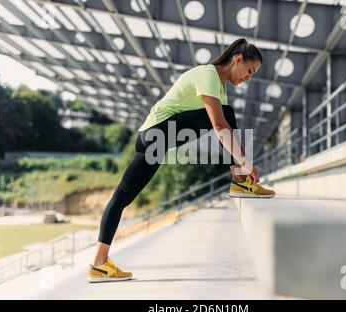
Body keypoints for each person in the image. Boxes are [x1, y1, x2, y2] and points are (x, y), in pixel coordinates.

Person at [87, 38, 276, 283]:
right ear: (238, 60)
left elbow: (225, 132)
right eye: (250, 71)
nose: (249, 78)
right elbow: (219, 126)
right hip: (157, 133)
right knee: (224, 117)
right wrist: (245, 164)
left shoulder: (220, 88)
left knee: (121, 199)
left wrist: (243, 161)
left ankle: (99, 263)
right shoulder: (207, 74)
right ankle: (239, 180)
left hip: (154, 141)